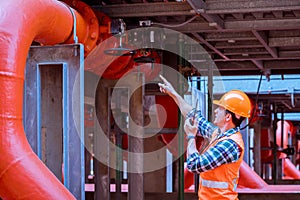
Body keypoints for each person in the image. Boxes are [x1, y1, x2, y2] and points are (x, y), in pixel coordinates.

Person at [158, 75, 251, 200]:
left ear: (228, 117)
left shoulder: (230, 144)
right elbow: (193, 116)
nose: (216, 111)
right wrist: (173, 94)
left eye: (220, 108)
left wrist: (191, 136)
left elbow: (195, 165)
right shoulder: (218, 134)